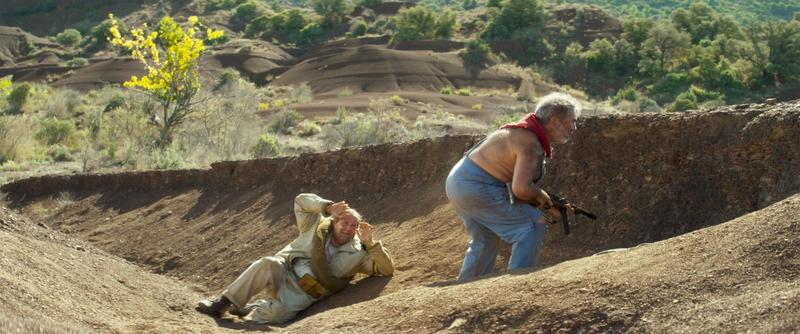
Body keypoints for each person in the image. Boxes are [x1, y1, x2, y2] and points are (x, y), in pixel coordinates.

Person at [196, 193, 395, 324]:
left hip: (305, 290)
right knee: (266, 263)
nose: (348, 228)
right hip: (285, 268)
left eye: (353, 225)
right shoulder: (315, 224)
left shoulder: (359, 253)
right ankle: (222, 303)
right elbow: (301, 201)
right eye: (344, 222)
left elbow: (387, 269)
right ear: (335, 221)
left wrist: (371, 244)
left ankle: (253, 310)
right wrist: (327, 207)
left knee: (277, 315)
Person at [446, 92, 580, 281]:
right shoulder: (531, 144)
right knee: (531, 225)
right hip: (476, 186)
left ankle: (465, 289)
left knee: (485, 240)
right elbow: (521, 189)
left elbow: (519, 189)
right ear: (554, 120)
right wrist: (547, 206)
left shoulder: (524, 133)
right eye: (571, 121)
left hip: (458, 182)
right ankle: (517, 284)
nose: (574, 127)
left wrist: (546, 201)